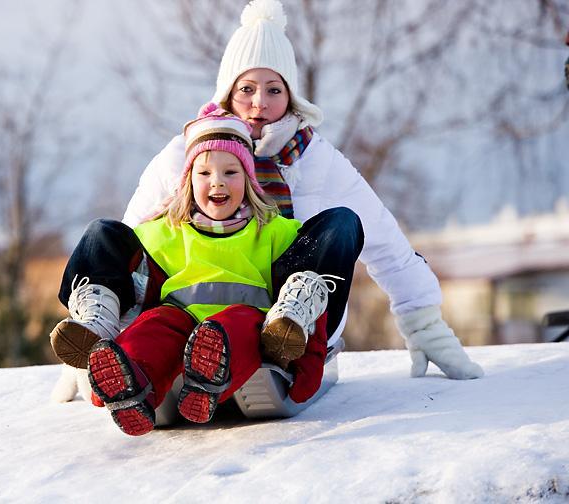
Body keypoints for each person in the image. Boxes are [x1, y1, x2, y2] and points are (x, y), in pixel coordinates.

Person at [119, 0, 483, 381]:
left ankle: (288, 332)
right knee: (116, 235)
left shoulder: (314, 158)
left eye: (274, 90)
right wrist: (102, 329)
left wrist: (423, 322)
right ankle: (160, 351)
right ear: (227, 91)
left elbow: (384, 239)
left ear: (290, 96)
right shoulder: (186, 152)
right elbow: (128, 240)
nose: (259, 102)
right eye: (246, 88)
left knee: (343, 224)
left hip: (290, 306)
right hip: (197, 298)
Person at [55, 107, 349, 436]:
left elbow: (314, 255)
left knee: (232, 328)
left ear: (249, 178)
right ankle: (128, 380)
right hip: (177, 318)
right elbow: (118, 257)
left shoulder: (273, 231)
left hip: (246, 321)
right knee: (153, 326)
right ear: (188, 181)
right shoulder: (164, 231)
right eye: (204, 173)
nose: (217, 182)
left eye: (230, 172)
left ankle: (207, 376)